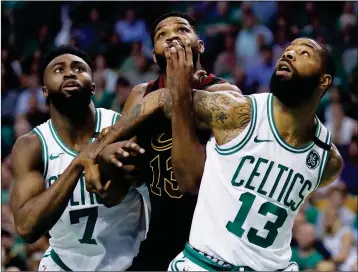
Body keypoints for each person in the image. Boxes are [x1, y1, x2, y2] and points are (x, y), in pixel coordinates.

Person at [82, 37, 344, 271]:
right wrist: (94, 152)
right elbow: (160, 99)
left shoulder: (327, 161)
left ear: (325, 81)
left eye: (304, 53)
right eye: (287, 50)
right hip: (205, 263)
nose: (288, 54)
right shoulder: (239, 113)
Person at [113, 12, 238, 270]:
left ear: (200, 45)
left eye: (181, 30)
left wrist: (180, 89)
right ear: (153, 54)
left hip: (209, 244)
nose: (171, 37)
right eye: (162, 34)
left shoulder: (224, 95)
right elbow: (119, 161)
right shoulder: (140, 94)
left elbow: (191, 181)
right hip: (158, 236)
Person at [9, 45, 150, 271]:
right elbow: (26, 228)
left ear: (93, 87)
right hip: (64, 263)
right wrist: (79, 163)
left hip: (132, 261)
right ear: (44, 91)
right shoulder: (32, 145)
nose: (69, 73)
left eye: (78, 68)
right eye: (58, 69)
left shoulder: (120, 125)